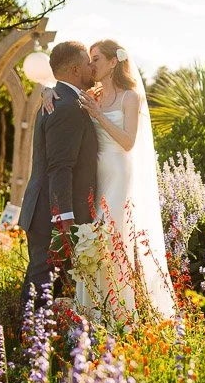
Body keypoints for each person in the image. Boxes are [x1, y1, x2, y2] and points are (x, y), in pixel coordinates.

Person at [42, 39, 176, 323]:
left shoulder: (130, 97)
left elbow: (128, 142)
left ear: (113, 62)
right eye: (89, 59)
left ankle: (118, 317)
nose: (90, 65)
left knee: (112, 240)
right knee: (92, 239)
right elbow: (64, 92)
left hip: (117, 172)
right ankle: (88, 313)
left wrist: (98, 114)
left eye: (96, 59)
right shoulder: (94, 94)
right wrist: (47, 91)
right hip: (94, 175)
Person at [17, 41, 98, 307]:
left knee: (40, 283)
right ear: (75, 69)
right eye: (88, 63)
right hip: (49, 211)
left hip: (45, 207)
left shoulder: (63, 98)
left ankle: (27, 340)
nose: (92, 68)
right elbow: (60, 166)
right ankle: (26, 343)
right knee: (41, 286)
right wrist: (65, 218)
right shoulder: (66, 106)